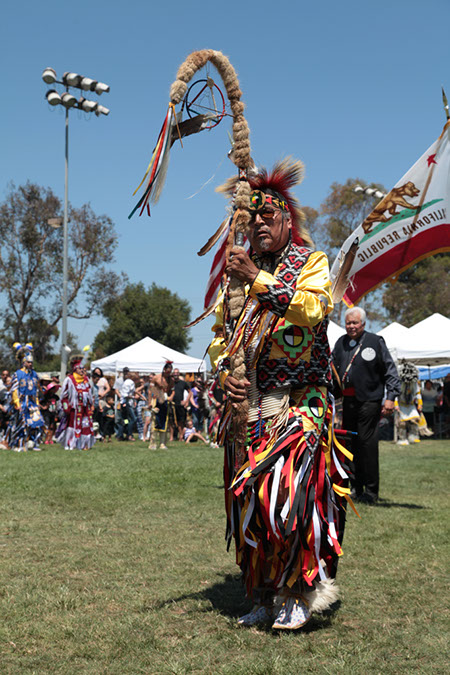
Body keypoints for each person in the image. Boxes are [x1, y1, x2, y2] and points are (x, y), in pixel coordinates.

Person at [208, 158, 352, 630]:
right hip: (251, 406)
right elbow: (219, 335)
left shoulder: (309, 263)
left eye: (268, 217)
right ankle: (265, 592)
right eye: (252, 219)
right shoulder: (237, 276)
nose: (259, 225)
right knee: (250, 499)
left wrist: (256, 278)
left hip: (303, 399)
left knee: (289, 494)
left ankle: (299, 589)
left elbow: (311, 310)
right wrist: (223, 369)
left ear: (288, 219)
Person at [332, 307, 400, 504]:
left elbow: (390, 371)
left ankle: (371, 491)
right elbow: (334, 368)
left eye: (355, 323)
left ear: (363, 324)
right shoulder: (341, 342)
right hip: (347, 402)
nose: (351, 326)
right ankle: (355, 487)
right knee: (350, 444)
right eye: (348, 323)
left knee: (367, 444)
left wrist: (391, 397)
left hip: (370, 400)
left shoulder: (375, 341)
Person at [9, 343, 45, 452]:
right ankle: (19, 444)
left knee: (36, 423)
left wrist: (37, 401)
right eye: (29, 362)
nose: (30, 364)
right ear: (24, 362)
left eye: (31, 362)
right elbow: (14, 389)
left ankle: (32, 443)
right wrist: (17, 402)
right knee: (22, 423)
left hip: (32, 403)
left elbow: (37, 390)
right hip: (22, 402)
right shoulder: (17, 374)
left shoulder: (34, 374)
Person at [56, 355, 95, 450]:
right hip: (74, 408)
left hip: (85, 408)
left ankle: (84, 445)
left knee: (86, 425)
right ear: (75, 369)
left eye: (83, 368)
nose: (82, 370)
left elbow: (90, 394)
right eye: (80, 368)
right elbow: (64, 395)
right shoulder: (69, 379)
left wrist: (92, 404)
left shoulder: (86, 380)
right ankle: (70, 444)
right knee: (72, 426)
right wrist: (66, 407)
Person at [150, 361, 174, 449]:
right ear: (164, 369)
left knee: (164, 422)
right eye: (167, 371)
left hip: (165, 401)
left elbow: (173, 390)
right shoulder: (156, 378)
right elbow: (151, 389)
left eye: (170, 372)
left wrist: (171, 396)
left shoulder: (171, 380)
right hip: (156, 401)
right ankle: (153, 443)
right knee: (155, 421)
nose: (169, 373)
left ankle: (162, 443)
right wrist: (150, 402)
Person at [172, 368, 190, 441]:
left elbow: (190, 392)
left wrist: (186, 401)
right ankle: (173, 437)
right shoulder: (171, 382)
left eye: (177, 373)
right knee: (173, 421)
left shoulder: (183, 383)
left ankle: (181, 436)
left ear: (179, 374)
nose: (175, 374)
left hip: (180, 405)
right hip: (172, 404)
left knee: (181, 421)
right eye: (174, 373)